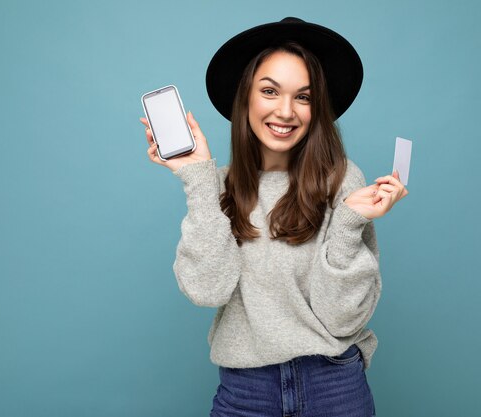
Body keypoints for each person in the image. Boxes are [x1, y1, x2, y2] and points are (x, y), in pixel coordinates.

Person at [140, 17, 408, 417]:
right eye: (269, 91)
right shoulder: (215, 186)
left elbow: (341, 317)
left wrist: (349, 224)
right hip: (246, 391)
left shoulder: (343, 180)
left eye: (304, 97)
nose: (286, 111)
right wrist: (197, 179)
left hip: (333, 386)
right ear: (245, 96)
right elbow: (206, 290)